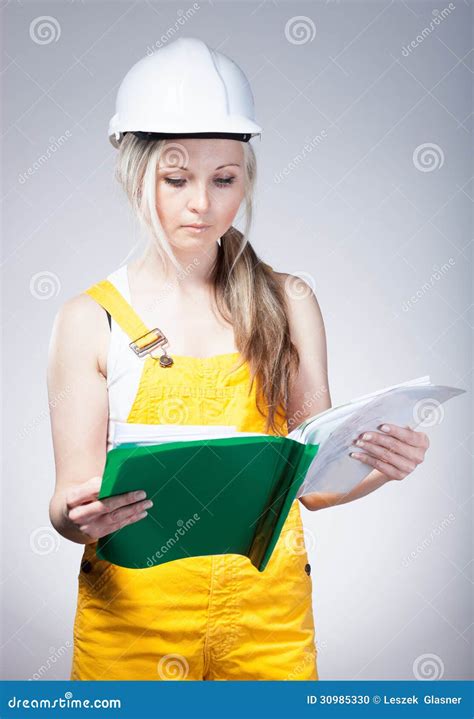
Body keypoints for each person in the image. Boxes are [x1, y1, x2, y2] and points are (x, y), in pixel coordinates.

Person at [47, 37, 430, 681]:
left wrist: (383, 466)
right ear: (134, 175)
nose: (202, 202)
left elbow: (315, 483)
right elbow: (66, 506)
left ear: (246, 178)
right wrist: (76, 517)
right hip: (132, 626)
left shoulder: (290, 301)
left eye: (223, 180)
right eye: (177, 179)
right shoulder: (91, 320)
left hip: (267, 621)